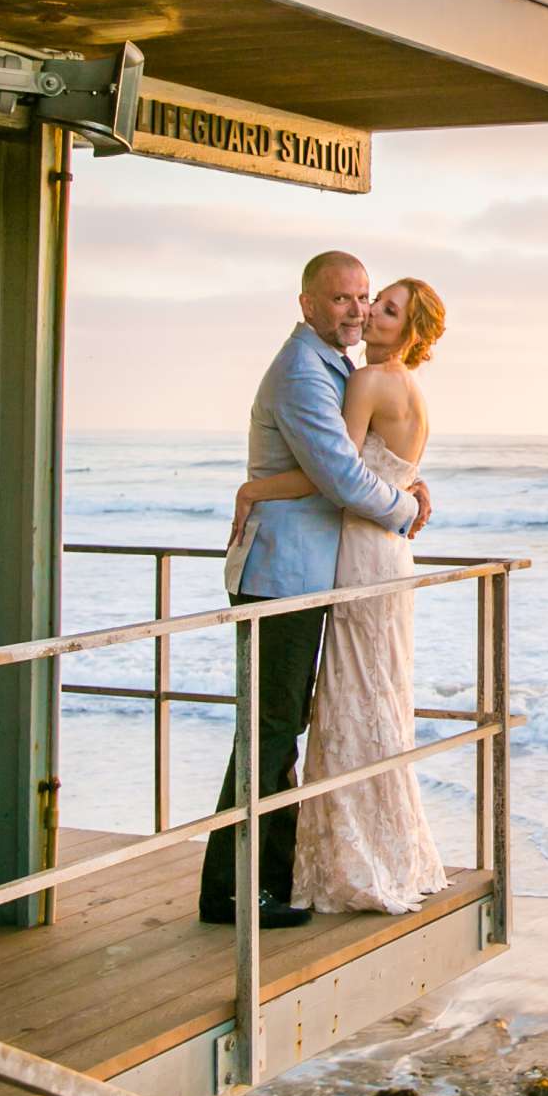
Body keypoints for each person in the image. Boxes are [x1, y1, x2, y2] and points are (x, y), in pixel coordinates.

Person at [200, 252, 432, 929]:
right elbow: (339, 474)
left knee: (278, 728)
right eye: (342, 300)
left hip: (311, 571)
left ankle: (267, 876)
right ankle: (235, 890)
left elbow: (353, 464)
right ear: (306, 304)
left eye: (365, 297)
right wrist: (404, 508)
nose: (357, 310)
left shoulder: (340, 367)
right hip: (281, 573)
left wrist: (402, 491)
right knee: (271, 729)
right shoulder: (305, 371)